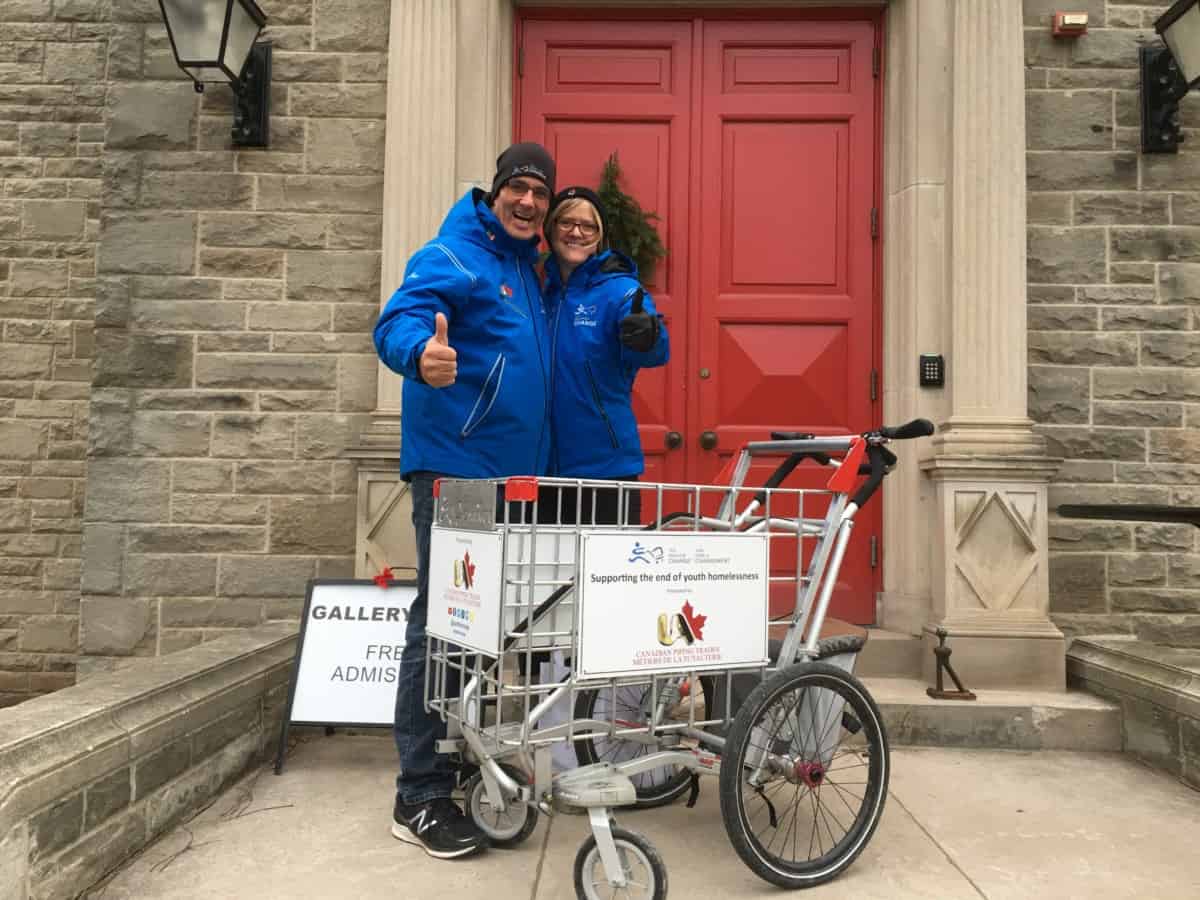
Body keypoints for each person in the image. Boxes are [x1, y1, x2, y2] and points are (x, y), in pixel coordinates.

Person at [373, 142, 556, 859]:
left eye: (540, 193)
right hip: (458, 471)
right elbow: (399, 319)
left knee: (482, 626)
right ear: (496, 191)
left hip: (511, 478)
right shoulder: (454, 253)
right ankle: (418, 792)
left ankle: (459, 757)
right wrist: (420, 354)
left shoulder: (528, 270)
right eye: (518, 188)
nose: (529, 202)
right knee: (444, 624)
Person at [542, 185, 669, 525]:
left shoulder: (621, 290)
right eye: (566, 222)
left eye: (588, 226)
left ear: (600, 236)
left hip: (605, 469)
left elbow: (656, 351)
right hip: (538, 470)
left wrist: (647, 336)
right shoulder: (537, 288)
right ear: (550, 228)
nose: (576, 232)